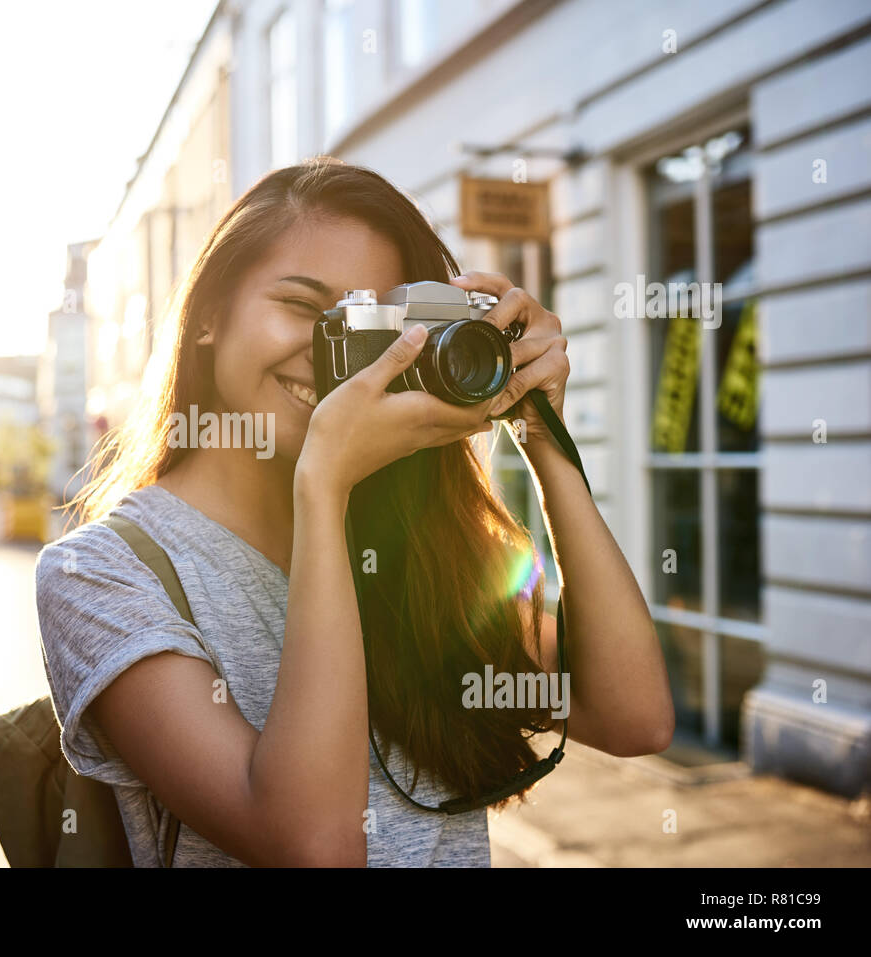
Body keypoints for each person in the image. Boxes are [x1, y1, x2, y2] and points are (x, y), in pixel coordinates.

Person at [34, 158, 674, 868]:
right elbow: (314, 844)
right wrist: (325, 486)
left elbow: (634, 714)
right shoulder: (100, 572)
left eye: (375, 329)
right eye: (306, 309)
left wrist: (540, 431)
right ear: (209, 315)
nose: (333, 358)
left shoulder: (418, 544)